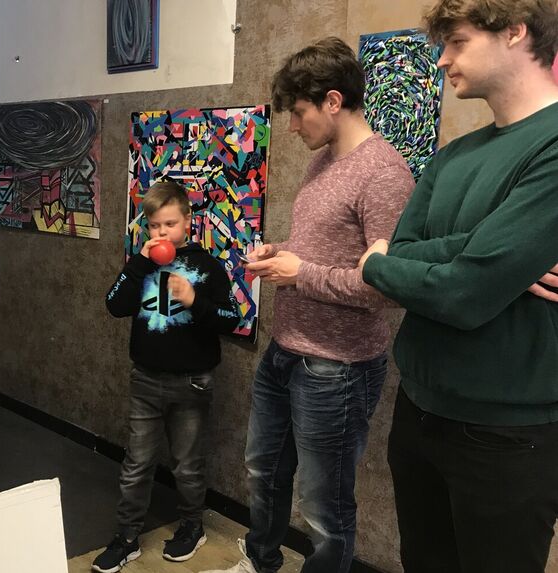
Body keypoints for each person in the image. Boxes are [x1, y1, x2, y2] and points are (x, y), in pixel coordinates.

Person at [357, 1, 558, 571]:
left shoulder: (551, 145)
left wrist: (384, 262)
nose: (442, 60)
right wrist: (484, 252)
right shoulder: (452, 156)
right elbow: (402, 254)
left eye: (458, 42)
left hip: (507, 433)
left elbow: (465, 294)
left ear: (515, 32)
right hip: (417, 409)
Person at [202, 37, 415, 573]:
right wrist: (280, 253)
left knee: (324, 506)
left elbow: (390, 289)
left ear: (333, 102)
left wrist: (301, 273)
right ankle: (261, 562)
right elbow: (323, 249)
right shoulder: (323, 162)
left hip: (337, 368)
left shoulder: (384, 174)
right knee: (264, 473)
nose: (293, 127)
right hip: (286, 351)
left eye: (299, 113)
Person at [94, 181, 240, 572]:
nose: (161, 233)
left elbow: (231, 319)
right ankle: (126, 536)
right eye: (154, 225)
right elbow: (114, 305)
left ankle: (192, 526)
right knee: (137, 463)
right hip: (145, 379)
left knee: (187, 464)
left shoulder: (207, 267)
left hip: (192, 382)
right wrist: (138, 264)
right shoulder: (142, 265)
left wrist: (194, 300)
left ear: (188, 221)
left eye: (170, 224)